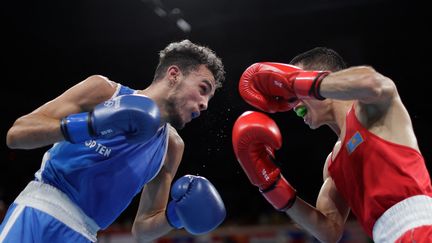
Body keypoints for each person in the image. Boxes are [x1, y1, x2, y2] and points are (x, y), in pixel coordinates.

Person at [1, 39, 227, 243]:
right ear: (174, 74)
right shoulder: (106, 93)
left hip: (85, 235)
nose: (204, 104)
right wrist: (91, 124)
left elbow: (142, 230)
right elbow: (17, 135)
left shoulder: (172, 148)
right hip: (37, 214)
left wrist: (174, 215)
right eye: (203, 89)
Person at [233, 47, 432, 242]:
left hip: (422, 228)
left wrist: (295, 82)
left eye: (294, 92)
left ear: (319, 78)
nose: (293, 104)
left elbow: (370, 81)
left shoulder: (370, 111)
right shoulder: (333, 163)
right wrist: (271, 185)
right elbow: (329, 232)